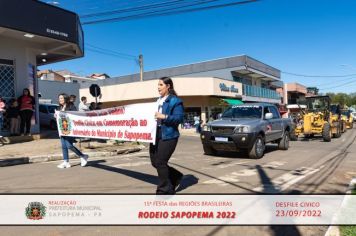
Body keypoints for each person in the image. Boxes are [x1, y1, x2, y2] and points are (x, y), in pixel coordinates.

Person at [150, 76, 184, 194]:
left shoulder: (175, 101)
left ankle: (165, 189)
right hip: (155, 134)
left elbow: (179, 118)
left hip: (169, 135)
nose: (158, 87)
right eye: (158, 85)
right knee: (155, 162)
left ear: (168, 86)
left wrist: (164, 116)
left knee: (161, 162)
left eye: (161, 85)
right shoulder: (158, 100)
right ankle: (176, 176)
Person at [56, 93, 88, 169]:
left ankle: (83, 156)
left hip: (70, 129)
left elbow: (75, 116)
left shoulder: (71, 106)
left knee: (69, 145)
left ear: (65, 99)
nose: (60, 100)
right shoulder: (59, 107)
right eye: (59, 98)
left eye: (61, 98)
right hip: (62, 129)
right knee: (64, 146)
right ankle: (66, 162)